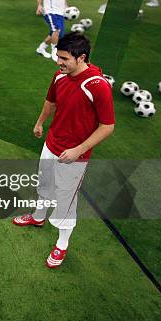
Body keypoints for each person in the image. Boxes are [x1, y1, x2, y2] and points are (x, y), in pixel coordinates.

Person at [13, 32, 115, 269]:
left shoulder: (98, 86)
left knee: (66, 201)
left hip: (74, 157)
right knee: (44, 184)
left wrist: (79, 150)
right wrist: (40, 123)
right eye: (58, 56)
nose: (58, 62)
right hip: (51, 144)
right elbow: (51, 102)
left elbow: (107, 126)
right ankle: (38, 218)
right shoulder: (60, 76)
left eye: (64, 58)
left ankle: (62, 244)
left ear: (81, 58)